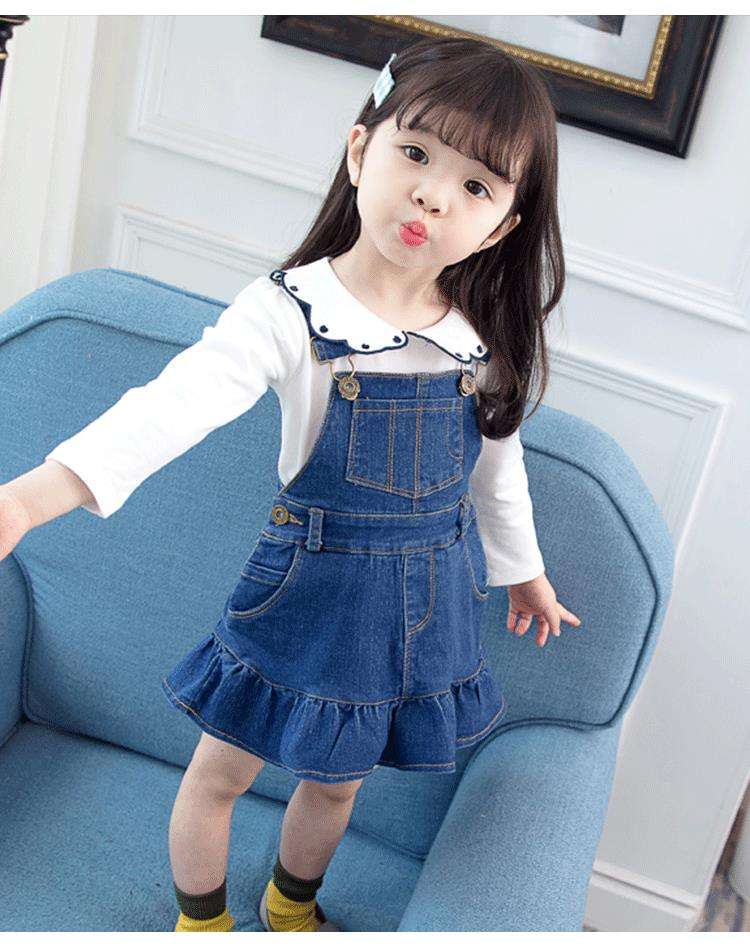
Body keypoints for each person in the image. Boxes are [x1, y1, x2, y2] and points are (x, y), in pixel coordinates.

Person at [0, 37, 582, 933]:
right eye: (415, 153)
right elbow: (170, 408)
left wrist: (524, 573)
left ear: (501, 227)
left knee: (338, 785)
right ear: (360, 152)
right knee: (220, 773)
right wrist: (29, 497)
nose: (433, 194)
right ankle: (201, 920)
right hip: (306, 590)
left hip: (412, 610)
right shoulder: (288, 312)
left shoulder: (477, 345)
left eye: (476, 185)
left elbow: (496, 476)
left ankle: (289, 905)